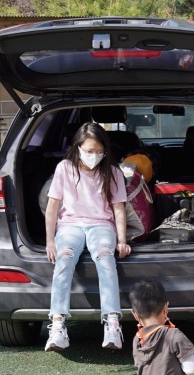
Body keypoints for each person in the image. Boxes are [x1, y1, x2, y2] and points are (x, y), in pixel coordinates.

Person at [44, 122, 131, 352]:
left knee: (105, 258)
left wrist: (122, 240)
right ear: (78, 147)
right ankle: (57, 325)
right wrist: (50, 241)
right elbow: (52, 206)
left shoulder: (112, 172)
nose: (94, 156)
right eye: (89, 151)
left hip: (101, 225)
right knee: (64, 259)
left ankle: (112, 323)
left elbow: (119, 208)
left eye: (99, 152)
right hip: (70, 226)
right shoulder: (64, 168)